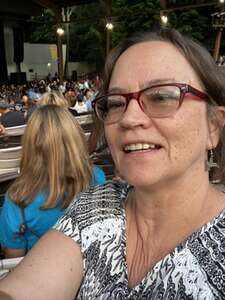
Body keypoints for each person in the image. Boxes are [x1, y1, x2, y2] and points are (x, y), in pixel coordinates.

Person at [1, 27, 225, 299]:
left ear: (213, 126)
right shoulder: (96, 203)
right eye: (116, 103)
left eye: (162, 97)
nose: (128, 119)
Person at [0, 104, 104, 259]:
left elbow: (15, 262)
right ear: (76, 140)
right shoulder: (98, 177)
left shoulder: (17, 200)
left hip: (44, 278)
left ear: (29, 145)